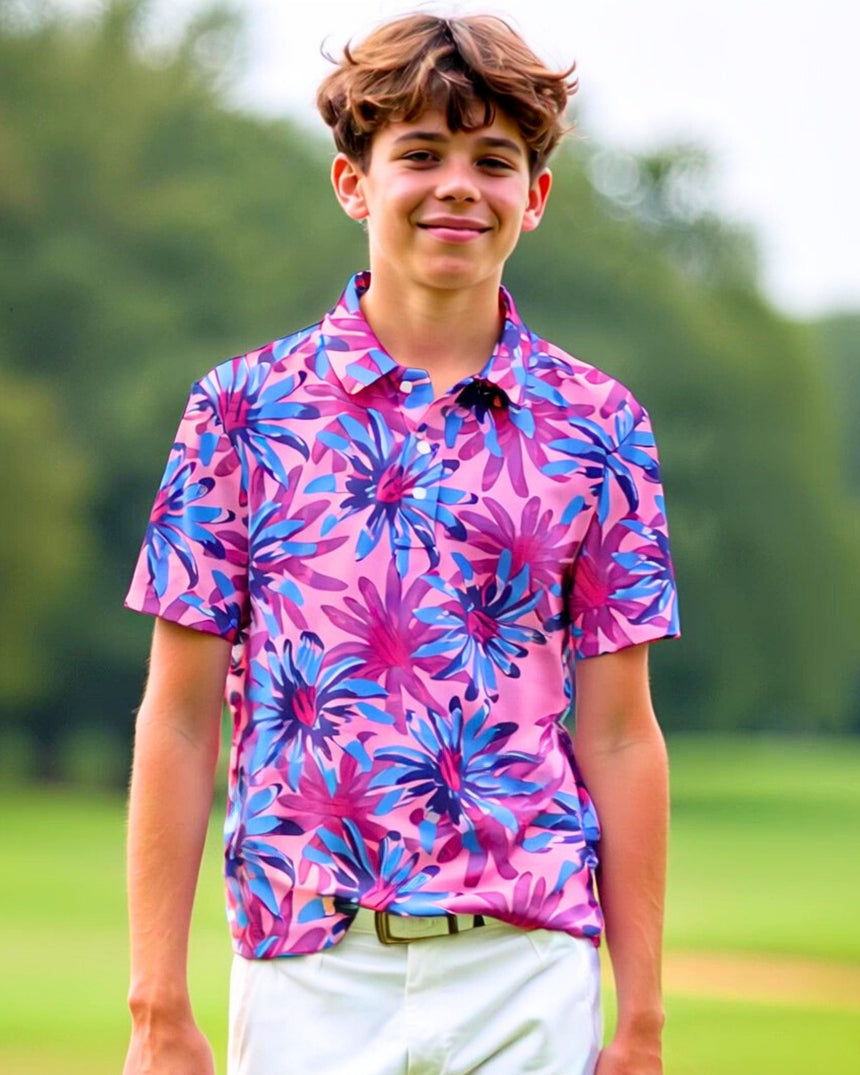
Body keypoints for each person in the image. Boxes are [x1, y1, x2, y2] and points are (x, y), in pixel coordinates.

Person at [122, 12, 679, 1075]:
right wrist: (156, 1003)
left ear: (536, 196)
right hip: (306, 967)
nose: (457, 185)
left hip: (527, 964)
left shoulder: (600, 425)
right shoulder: (241, 413)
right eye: (419, 154)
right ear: (352, 183)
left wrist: (640, 1017)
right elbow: (181, 717)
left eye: (494, 161)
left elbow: (618, 734)